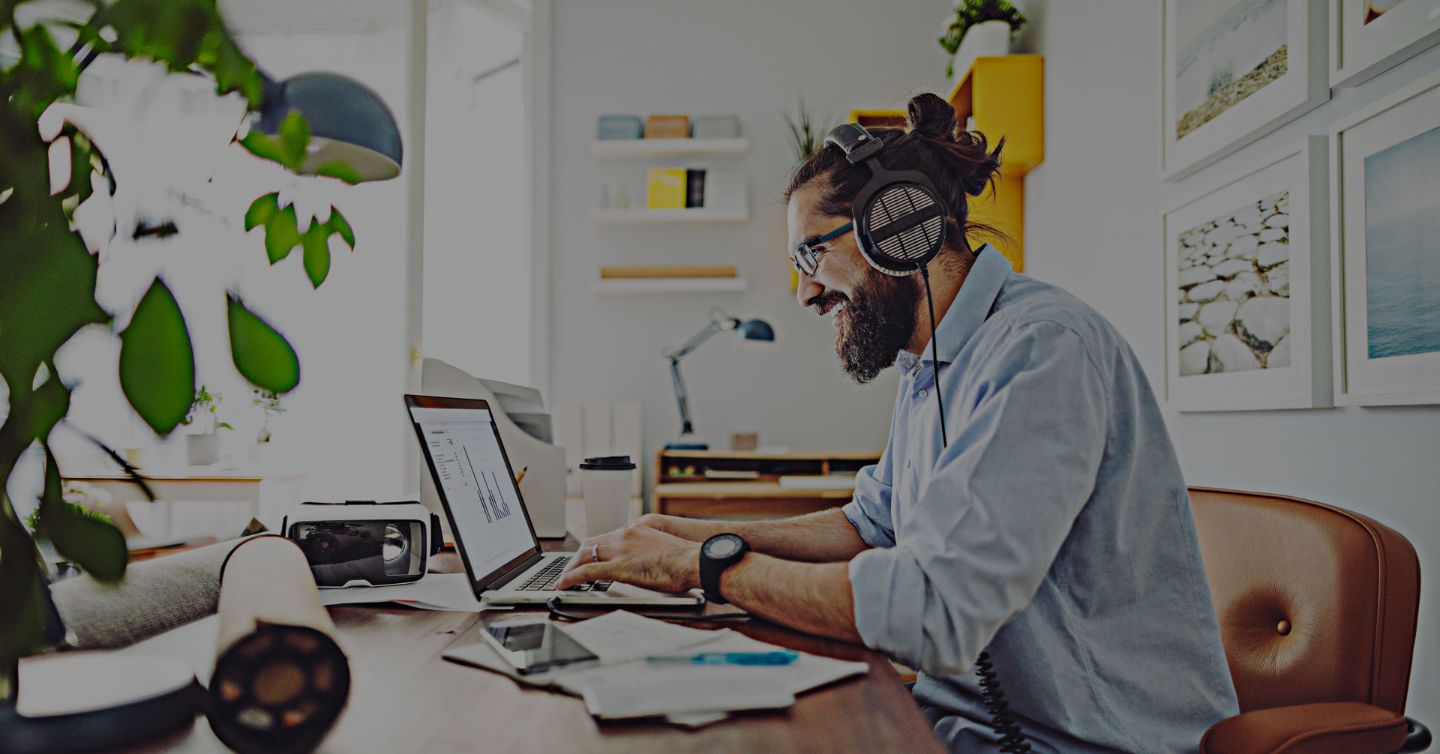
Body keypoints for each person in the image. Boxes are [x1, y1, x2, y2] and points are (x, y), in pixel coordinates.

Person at [559, 92, 1238, 753]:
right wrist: (693, 533)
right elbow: (870, 527)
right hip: (955, 724)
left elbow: (932, 612)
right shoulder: (930, 364)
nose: (804, 293)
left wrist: (701, 567)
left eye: (808, 257)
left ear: (894, 226)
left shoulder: (1042, 350)